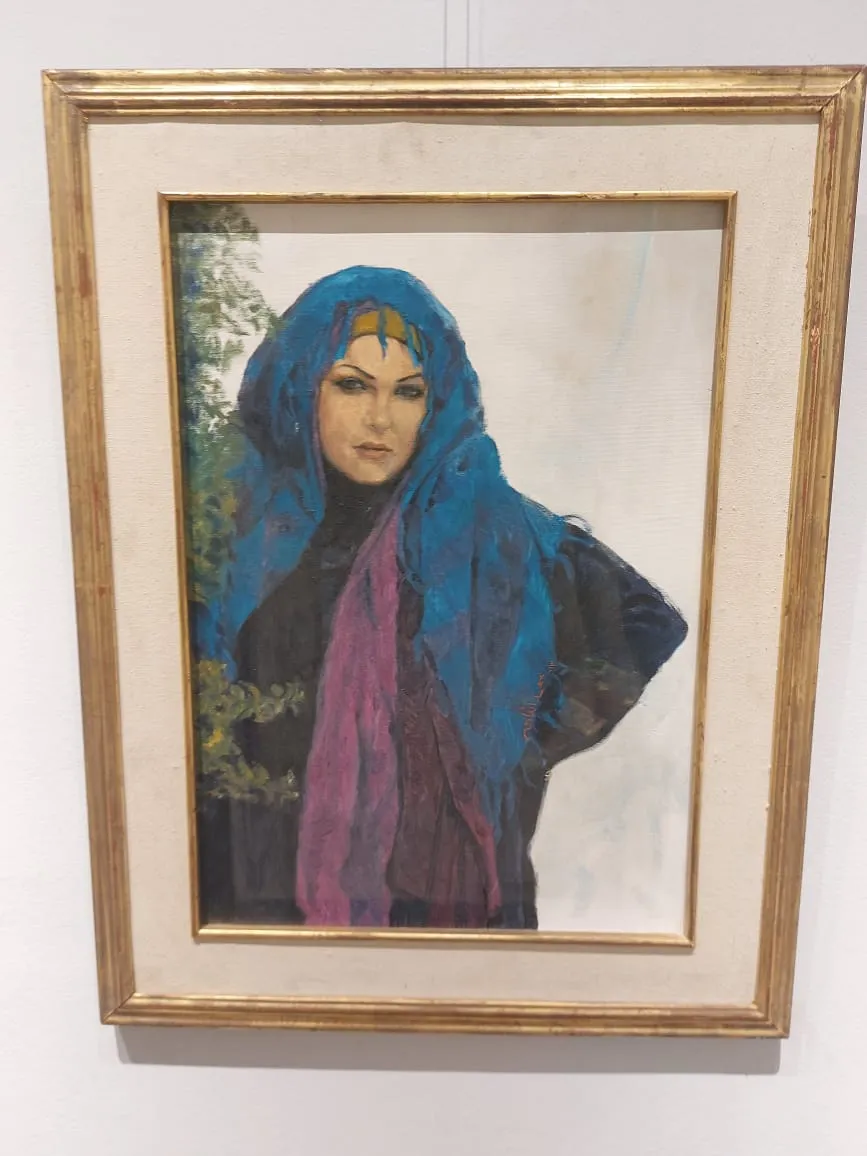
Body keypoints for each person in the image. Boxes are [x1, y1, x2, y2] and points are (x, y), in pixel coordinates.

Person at [195, 265, 687, 930]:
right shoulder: (228, 527)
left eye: (408, 392)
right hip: (250, 899)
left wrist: (514, 745)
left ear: (437, 403)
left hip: (443, 913)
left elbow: (644, 623)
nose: (379, 419)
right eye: (350, 385)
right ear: (298, 387)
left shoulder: (490, 531)